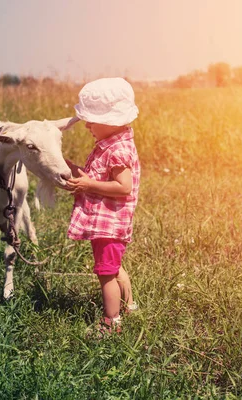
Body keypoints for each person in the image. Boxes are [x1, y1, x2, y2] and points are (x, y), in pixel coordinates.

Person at [64, 77, 140, 336]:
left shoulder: (117, 151)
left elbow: (123, 187)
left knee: (106, 273)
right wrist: (69, 167)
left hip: (109, 224)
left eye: (92, 119)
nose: (86, 124)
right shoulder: (112, 144)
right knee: (116, 267)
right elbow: (95, 176)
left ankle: (111, 322)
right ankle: (130, 307)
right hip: (109, 222)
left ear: (111, 121)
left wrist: (88, 186)